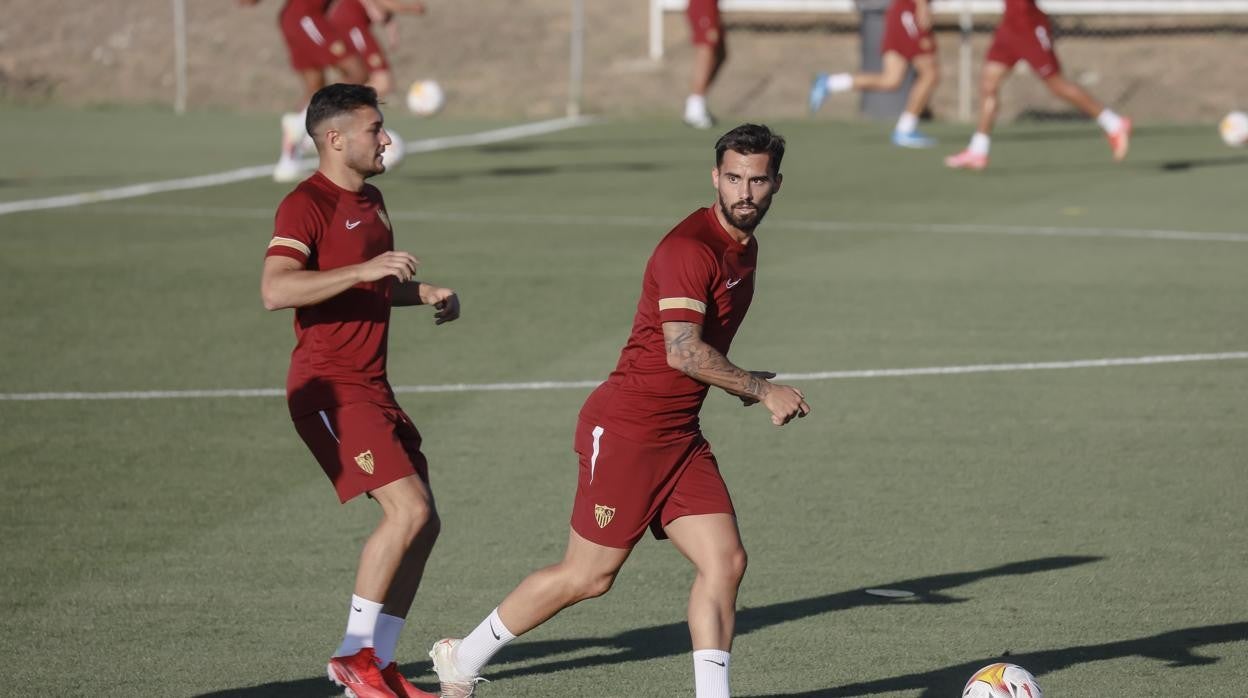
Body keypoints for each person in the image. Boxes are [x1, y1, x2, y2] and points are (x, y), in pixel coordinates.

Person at [427, 123, 811, 698]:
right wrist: (758, 389)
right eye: (733, 178)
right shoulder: (690, 248)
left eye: (757, 180)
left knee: (725, 561)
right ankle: (463, 656)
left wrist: (732, 381)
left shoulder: (743, 248)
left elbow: (694, 346)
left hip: (678, 435)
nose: (745, 192)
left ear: (777, 183)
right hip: (628, 429)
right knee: (589, 576)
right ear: (715, 177)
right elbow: (681, 350)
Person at [261, 83, 460, 698]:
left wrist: (419, 292)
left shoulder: (373, 201)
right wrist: (366, 270)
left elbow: (368, 288)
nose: (387, 139)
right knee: (410, 510)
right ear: (335, 138)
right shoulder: (305, 204)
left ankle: (379, 667)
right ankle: (353, 654)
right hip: (328, 389)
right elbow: (277, 288)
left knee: (425, 527)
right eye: (376, 129)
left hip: (374, 388)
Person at [945, 0, 1132, 170]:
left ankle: (1113, 123)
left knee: (1056, 84)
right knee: (988, 84)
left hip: (1029, 27)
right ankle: (978, 150)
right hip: (1009, 28)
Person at [238, 0, 369, 182]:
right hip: (305, 17)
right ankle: (304, 126)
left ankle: (288, 163)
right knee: (357, 72)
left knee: (315, 88)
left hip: (299, 18)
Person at [808, 0, 941, 148]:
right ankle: (905, 130)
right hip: (909, 11)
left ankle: (831, 83)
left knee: (891, 79)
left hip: (900, 12)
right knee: (930, 74)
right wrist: (922, 6)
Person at [327, 0, 427, 99]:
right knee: (383, 81)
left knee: (360, 75)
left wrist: (389, 23)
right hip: (351, 21)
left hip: (347, 20)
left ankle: (330, 102)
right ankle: (331, 104)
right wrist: (411, 8)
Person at [684, 0, 727, 129]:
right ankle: (695, 107)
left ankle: (697, 102)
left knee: (720, 53)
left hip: (712, 5)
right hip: (703, 4)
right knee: (706, 47)